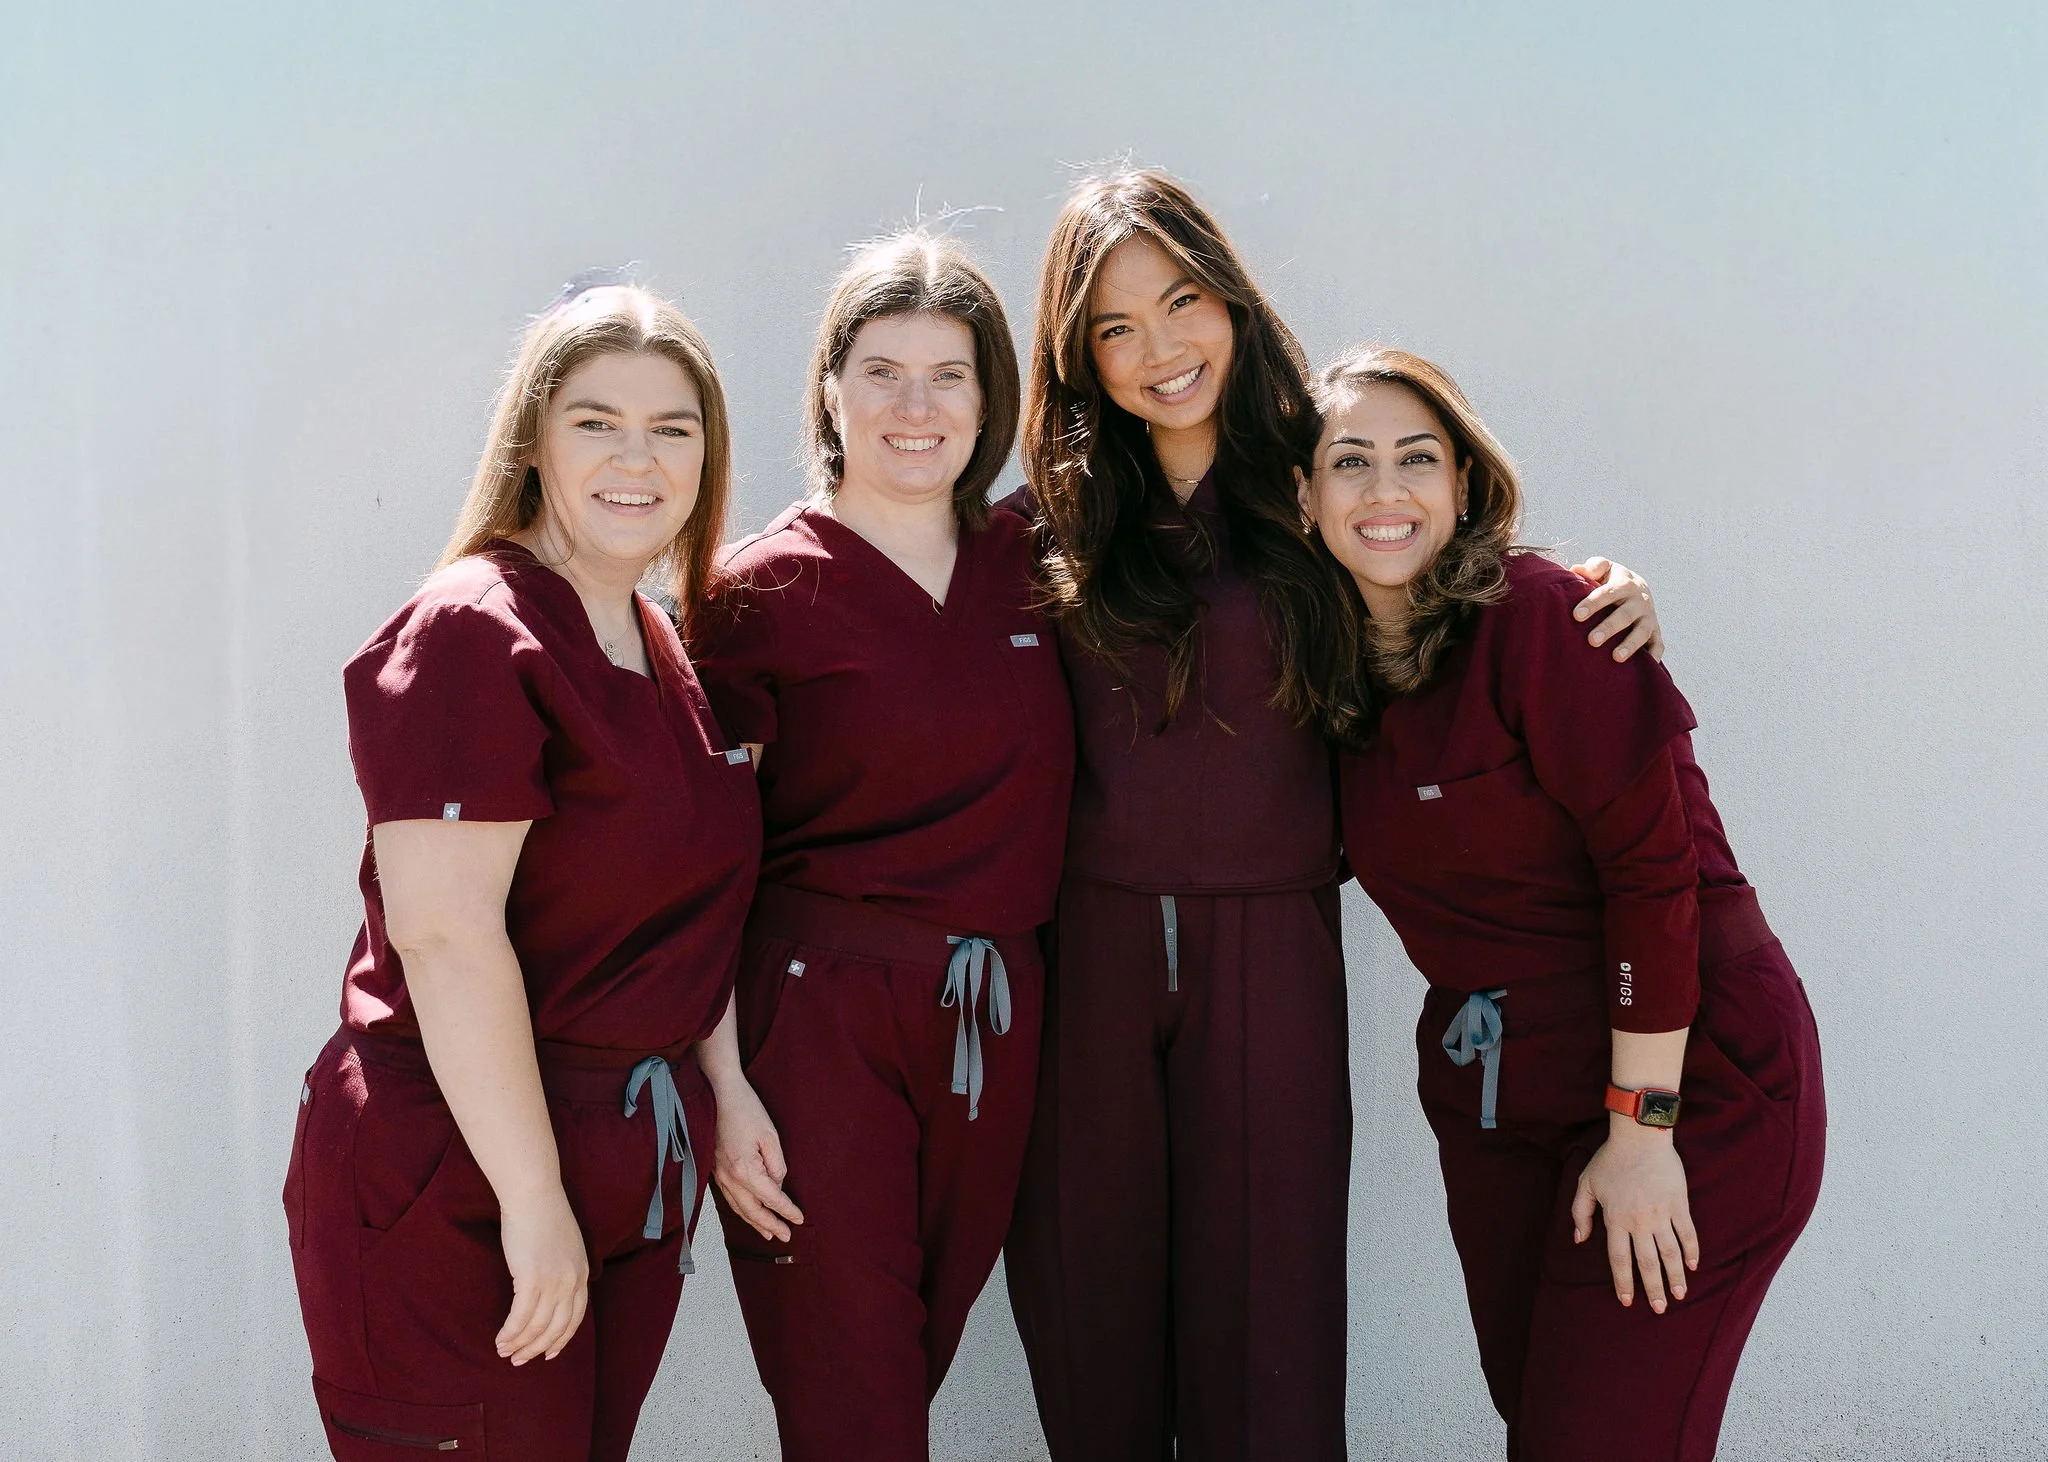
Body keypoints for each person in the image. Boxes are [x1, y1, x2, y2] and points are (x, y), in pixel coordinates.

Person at [1000, 169, 1667, 1460]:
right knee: (1094, 1333)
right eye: (1116, 328)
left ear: (1233, 301)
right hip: (1085, 956)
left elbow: (1457, 562)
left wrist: (1611, 588)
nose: (1159, 349)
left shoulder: (1313, 479)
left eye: (1182, 302)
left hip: (1275, 951)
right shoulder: (1050, 521)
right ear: (1080, 355)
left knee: (1272, 1348)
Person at [1294, 345, 1825, 1461]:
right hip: (1497, 1092)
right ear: (1303, 496)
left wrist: (1642, 1131)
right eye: (1348, 460)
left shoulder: (1547, 620)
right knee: (1543, 1426)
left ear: (1463, 484)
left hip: (1687, 1082)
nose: (1383, 489)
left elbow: (1652, 875)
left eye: (1414, 458)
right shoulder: (1326, 679)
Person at [281, 282, 763, 1462]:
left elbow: (679, 907)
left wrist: (725, 1088)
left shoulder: (653, 639)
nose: (634, 457)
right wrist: (533, 1197)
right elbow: (444, 940)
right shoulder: (470, 629)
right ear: (534, 440)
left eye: (672, 427)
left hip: (621, 1153)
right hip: (461, 1170)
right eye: (596, 421)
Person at [688, 230, 1075, 1461]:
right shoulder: (753, 593)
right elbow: (697, 861)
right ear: (829, 389)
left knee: (906, 1365)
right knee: (850, 1398)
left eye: (948, 374)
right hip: (817, 1018)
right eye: (882, 370)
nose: (915, 406)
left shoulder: (1040, 568)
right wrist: (720, 1079)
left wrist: (1558, 582)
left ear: (989, 399)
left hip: (994, 1014)